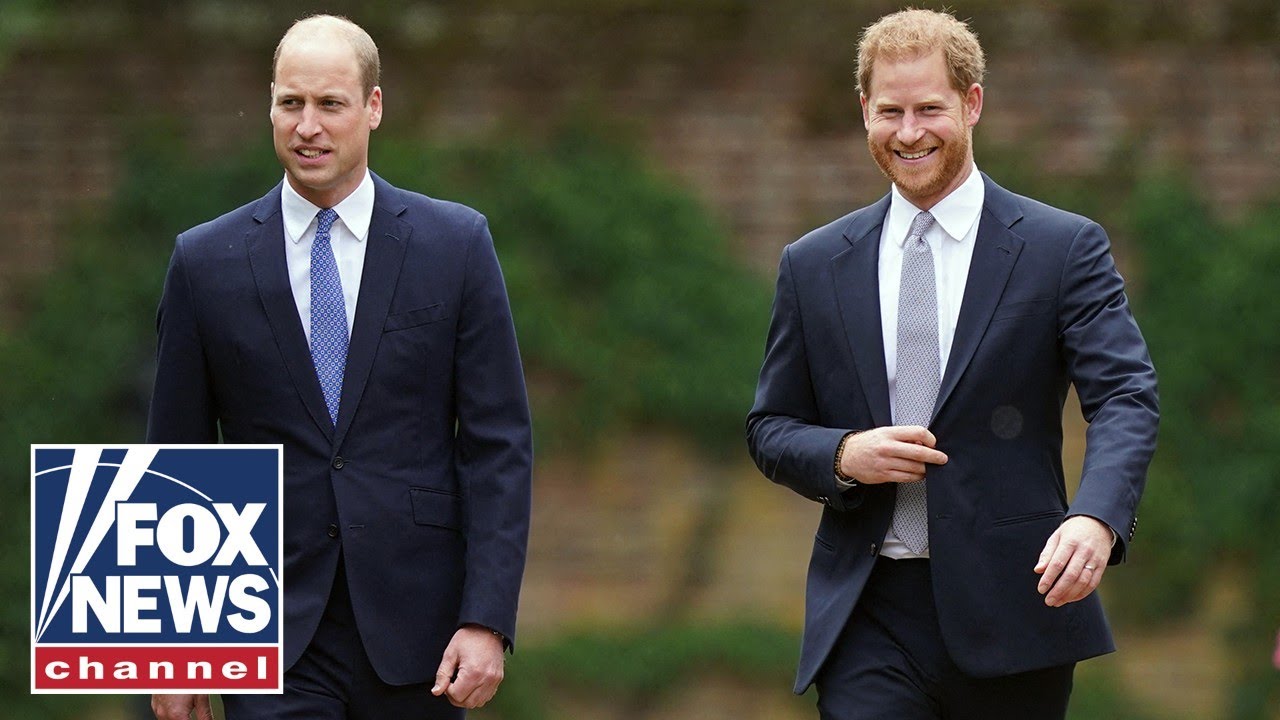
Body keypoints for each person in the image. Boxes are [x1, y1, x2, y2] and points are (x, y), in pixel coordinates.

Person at [746, 8, 1158, 719]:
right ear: (864, 113)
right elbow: (771, 427)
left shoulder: (1062, 249)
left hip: (1015, 606)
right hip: (867, 613)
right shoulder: (812, 265)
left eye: (929, 109)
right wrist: (844, 452)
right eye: (890, 112)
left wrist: (1096, 517)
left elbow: (1124, 395)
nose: (909, 133)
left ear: (972, 104)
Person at [147, 14, 532, 719]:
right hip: (264, 629)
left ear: (373, 108)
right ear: (269, 105)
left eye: (330, 104)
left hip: (422, 633)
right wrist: (176, 653)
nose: (308, 126)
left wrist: (487, 618)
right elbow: (177, 454)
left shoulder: (456, 244)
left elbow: (497, 446)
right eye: (291, 103)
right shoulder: (204, 261)